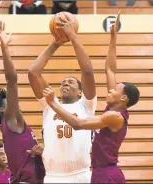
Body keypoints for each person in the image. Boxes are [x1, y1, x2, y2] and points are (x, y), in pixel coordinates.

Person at [42, 12, 140, 184]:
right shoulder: (114, 108)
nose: (110, 90)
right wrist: (113, 38)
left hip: (107, 173)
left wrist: (52, 103)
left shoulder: (114, 117)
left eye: (115, 89)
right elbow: (110, 69)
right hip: (100, 171)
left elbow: (78, 124)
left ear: (123, 98)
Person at [28, 14, 97, 183]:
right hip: (53, 177)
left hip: (81, 174)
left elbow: (87, 71)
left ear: (80, 92)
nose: (65, 83)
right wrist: (55, 43)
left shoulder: (86, 105)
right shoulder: (50, 103)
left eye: (71, 82)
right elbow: (33, 73)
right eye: (63, 82)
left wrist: (72, 36)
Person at [0, 21, 45, 183]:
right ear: (2, 110)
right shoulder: (10, 121)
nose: (16, 102)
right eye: (9, 101)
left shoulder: (13, 127)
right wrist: (4, 47)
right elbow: (11, 79)